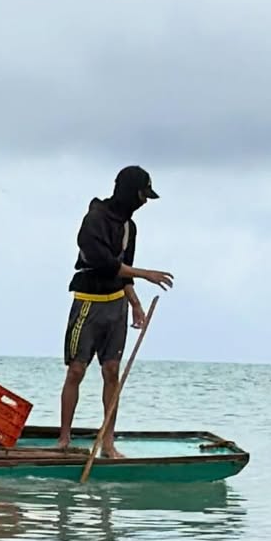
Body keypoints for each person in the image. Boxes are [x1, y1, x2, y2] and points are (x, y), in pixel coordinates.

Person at [57, 167, 173, 456]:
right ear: (129, 192)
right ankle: (64, 440)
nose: (143, 202)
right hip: (88, 301)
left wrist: (135, 304)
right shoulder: (95, 218)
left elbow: (124, 271)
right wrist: (146, 274)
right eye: (142, 195)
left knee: (111, 371)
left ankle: (107, 443)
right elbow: (103, 262)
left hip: (116, 305)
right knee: (76, 370)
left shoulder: (129, 227)